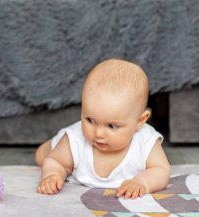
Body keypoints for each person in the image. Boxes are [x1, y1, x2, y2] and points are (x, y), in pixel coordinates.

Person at [35, 58, 170, 199]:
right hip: (62, 146)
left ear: (140, 121)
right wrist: (53, 174)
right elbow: (56, 162)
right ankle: (50, 144)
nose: (98, 133)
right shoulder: (74, 139)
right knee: (42, 157)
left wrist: (142, 182)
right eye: (90, 120)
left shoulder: (145, 141)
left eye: (112, 126)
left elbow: (161, 170)